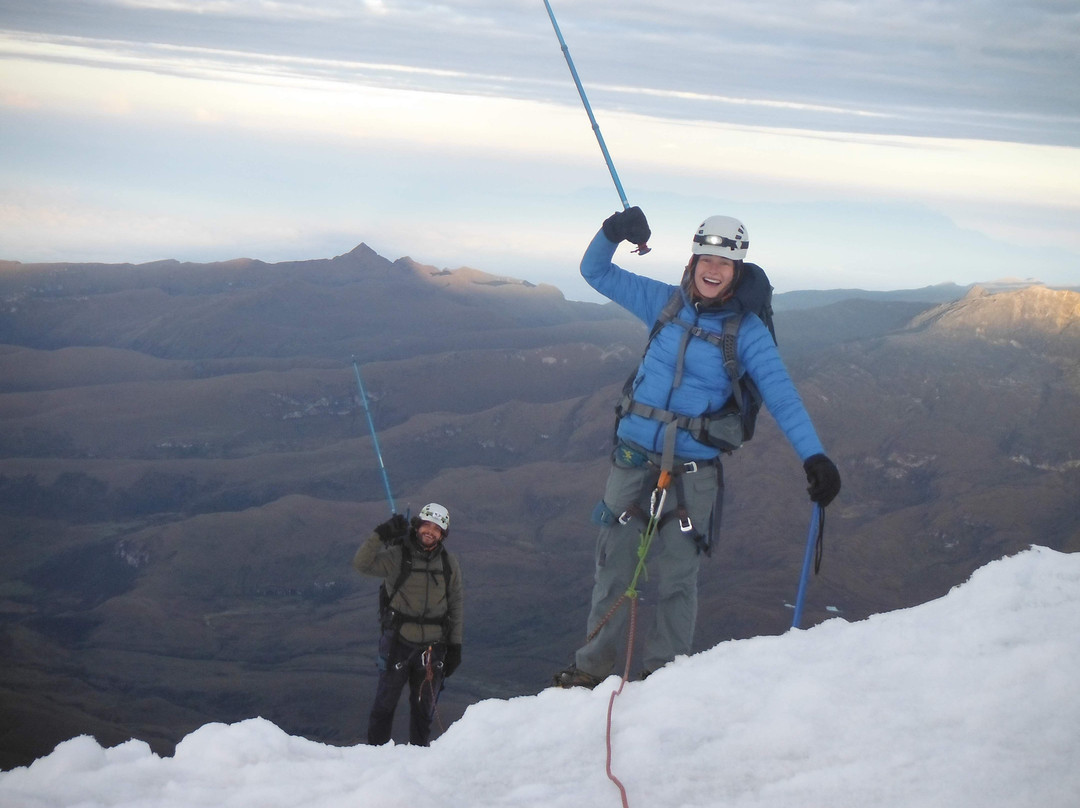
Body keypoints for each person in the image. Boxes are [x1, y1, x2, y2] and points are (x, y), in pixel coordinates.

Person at [553, 207, 841, 688]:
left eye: (723, 263)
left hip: (692, 471)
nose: (712, 269)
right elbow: (595, 272)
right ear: (692, 260)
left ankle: (664, 678)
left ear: (737, 270)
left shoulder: (748, 332)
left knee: (678, 580)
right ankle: (592, 671)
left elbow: (781, 394)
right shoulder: (665, 303)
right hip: (633, 458)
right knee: (615, 569)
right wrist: (611, 233)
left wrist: (814, 456)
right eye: (706, 258)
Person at [353, 502, 464, 745]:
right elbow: (361, 564)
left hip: (433, 649)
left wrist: (455, 645)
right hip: (398, 644)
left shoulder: (448, 563)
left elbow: (455, 604)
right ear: (417, 526)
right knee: (384, 707)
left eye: (437, 529)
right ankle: (376, 759)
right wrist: (380, 535)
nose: (430, 532)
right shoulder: (397, 555)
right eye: (427, 525)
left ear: (443, 534)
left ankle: (419, 760)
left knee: (423, 712)